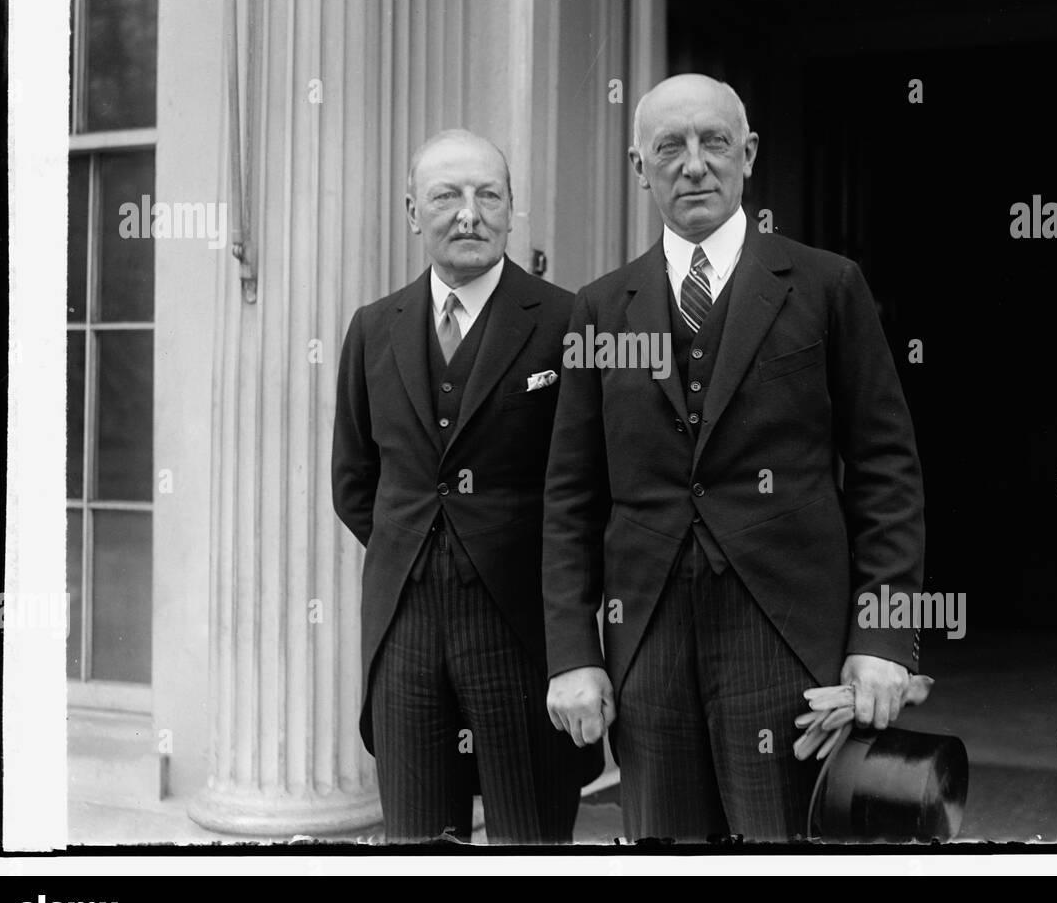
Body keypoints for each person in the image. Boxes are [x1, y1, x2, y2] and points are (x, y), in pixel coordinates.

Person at [542, 75, 925, 841]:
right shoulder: (601, 307)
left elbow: (887, 473)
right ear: (638, 165)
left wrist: (882, 641)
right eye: (669, 147)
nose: (694, 164)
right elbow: (571, 498)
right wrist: (573, 654)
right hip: (647, 648)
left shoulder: (826, 286)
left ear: (747, 154)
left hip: (786, 638)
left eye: (714, 142)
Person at [332, 129, 601, 843]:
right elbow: (356, 482)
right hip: (405, 628)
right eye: (447, 196)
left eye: (488, 195)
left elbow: (590, 487)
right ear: (414, 212)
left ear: (513, 211)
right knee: (417, 841)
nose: (469, 213)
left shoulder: (569, 320)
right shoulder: (372, 329)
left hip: (522, 628)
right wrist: (420, 552)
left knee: (529, 838)